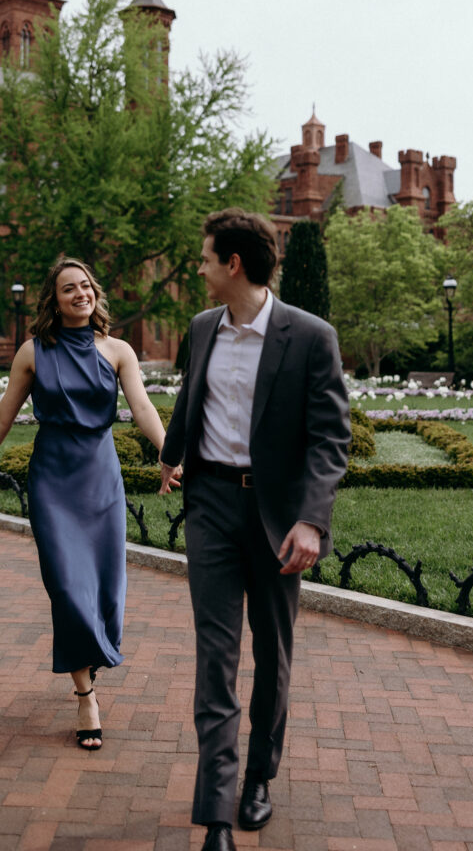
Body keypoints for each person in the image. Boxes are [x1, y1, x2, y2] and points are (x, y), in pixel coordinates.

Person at [159, 208, 351, 851]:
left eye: (205, 257)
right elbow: (192, 397)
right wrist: (171, 456)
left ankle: (259, 777)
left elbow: (330, 439)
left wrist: (312, 520)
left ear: (234, 264)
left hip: (276, 516)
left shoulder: (311, 336)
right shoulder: (202, 326)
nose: (200, 268)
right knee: (216, 656)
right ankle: (216, 812)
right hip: (211, 505)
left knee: (272, 652)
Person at [0, 257, 178, 750]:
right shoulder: (33, 352)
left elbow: (141, 407)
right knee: (68, 587)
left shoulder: (118, 350)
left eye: (86, 285)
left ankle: (89, 654)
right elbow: (2, 418)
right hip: (53, 481)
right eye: (69, 288)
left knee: (106, 588)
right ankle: (85, 695)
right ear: (54, 301)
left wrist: (168, 454)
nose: (81, 294)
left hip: (101, 479)